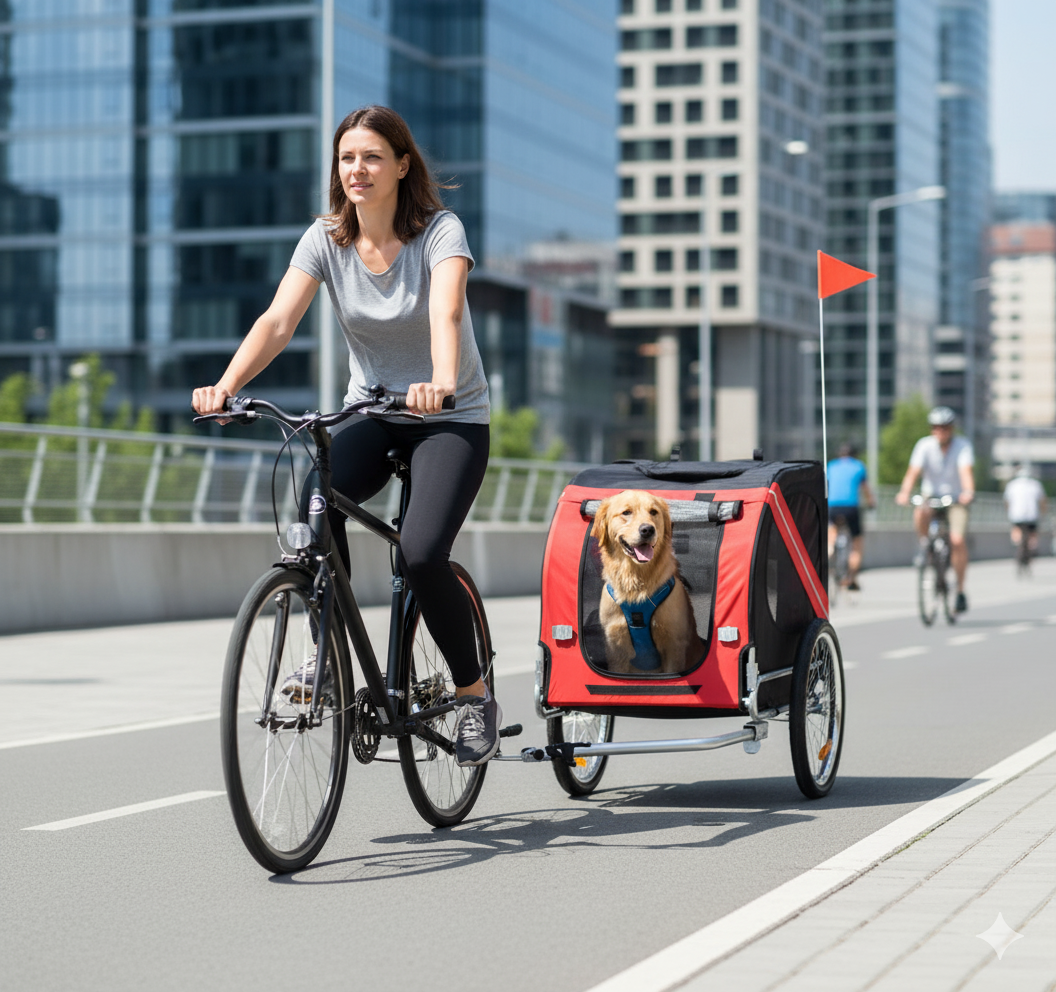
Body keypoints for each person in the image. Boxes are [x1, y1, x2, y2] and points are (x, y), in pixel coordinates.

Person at [191, 105, 501, 767]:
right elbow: (278, 320)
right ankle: (325, 657)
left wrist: (442, 378)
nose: (356, 170)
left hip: (448, 418)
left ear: (401, 166)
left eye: (371, 158)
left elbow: (446, 310)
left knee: (419, 555)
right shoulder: (326, 239)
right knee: (313, 516)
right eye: (346, 159)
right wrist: (225, 384)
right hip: (371, 411)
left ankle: (473, 696)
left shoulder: (439, 232)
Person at [895, 406, 975, 612]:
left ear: (952, 428)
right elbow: (913, 472)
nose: (940, 431)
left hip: (956, 498)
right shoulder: (924, 446)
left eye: (944, 427)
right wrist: (904, 492)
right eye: (936, 427)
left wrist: (968, 491)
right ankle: (924, 545)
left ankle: (960, 590)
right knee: (920, 510)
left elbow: (966, 472)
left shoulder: (962, 446)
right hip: (931, 496)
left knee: (957, 540)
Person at [827, 443, 875, 591]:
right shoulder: (859, 466)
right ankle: (851, 578)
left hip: (833, 506)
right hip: (851, 507)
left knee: (832, 532)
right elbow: (866, 489)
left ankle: (829, 553)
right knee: (857, 542)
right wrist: (871, 502)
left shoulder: (831, 466)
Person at [1004, 463, 1048, 560]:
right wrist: (1044, 513)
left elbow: (1007, 501)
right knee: (1033, 533)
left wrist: (1008, 512)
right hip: (1032, 515)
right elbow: (1042, 502)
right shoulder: (1036, 484)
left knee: (1016, 529)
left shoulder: (1011, 485)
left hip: (1016, 515)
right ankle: (1032, 547)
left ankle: (1018, 544)